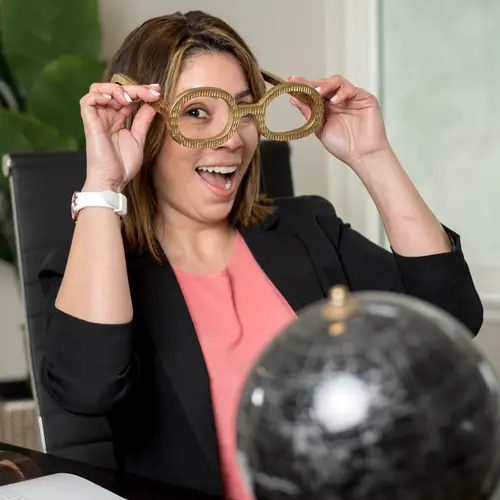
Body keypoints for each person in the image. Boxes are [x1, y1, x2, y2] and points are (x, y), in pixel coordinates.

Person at [38, 10, 483, 499]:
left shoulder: (307, 228)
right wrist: (104, 183)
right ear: (142, 125)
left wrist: (372, 156)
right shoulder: (100, 270)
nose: (232, 138)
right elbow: (88, 387)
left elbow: (448, 321)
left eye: (244, 110)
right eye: (197, 112)